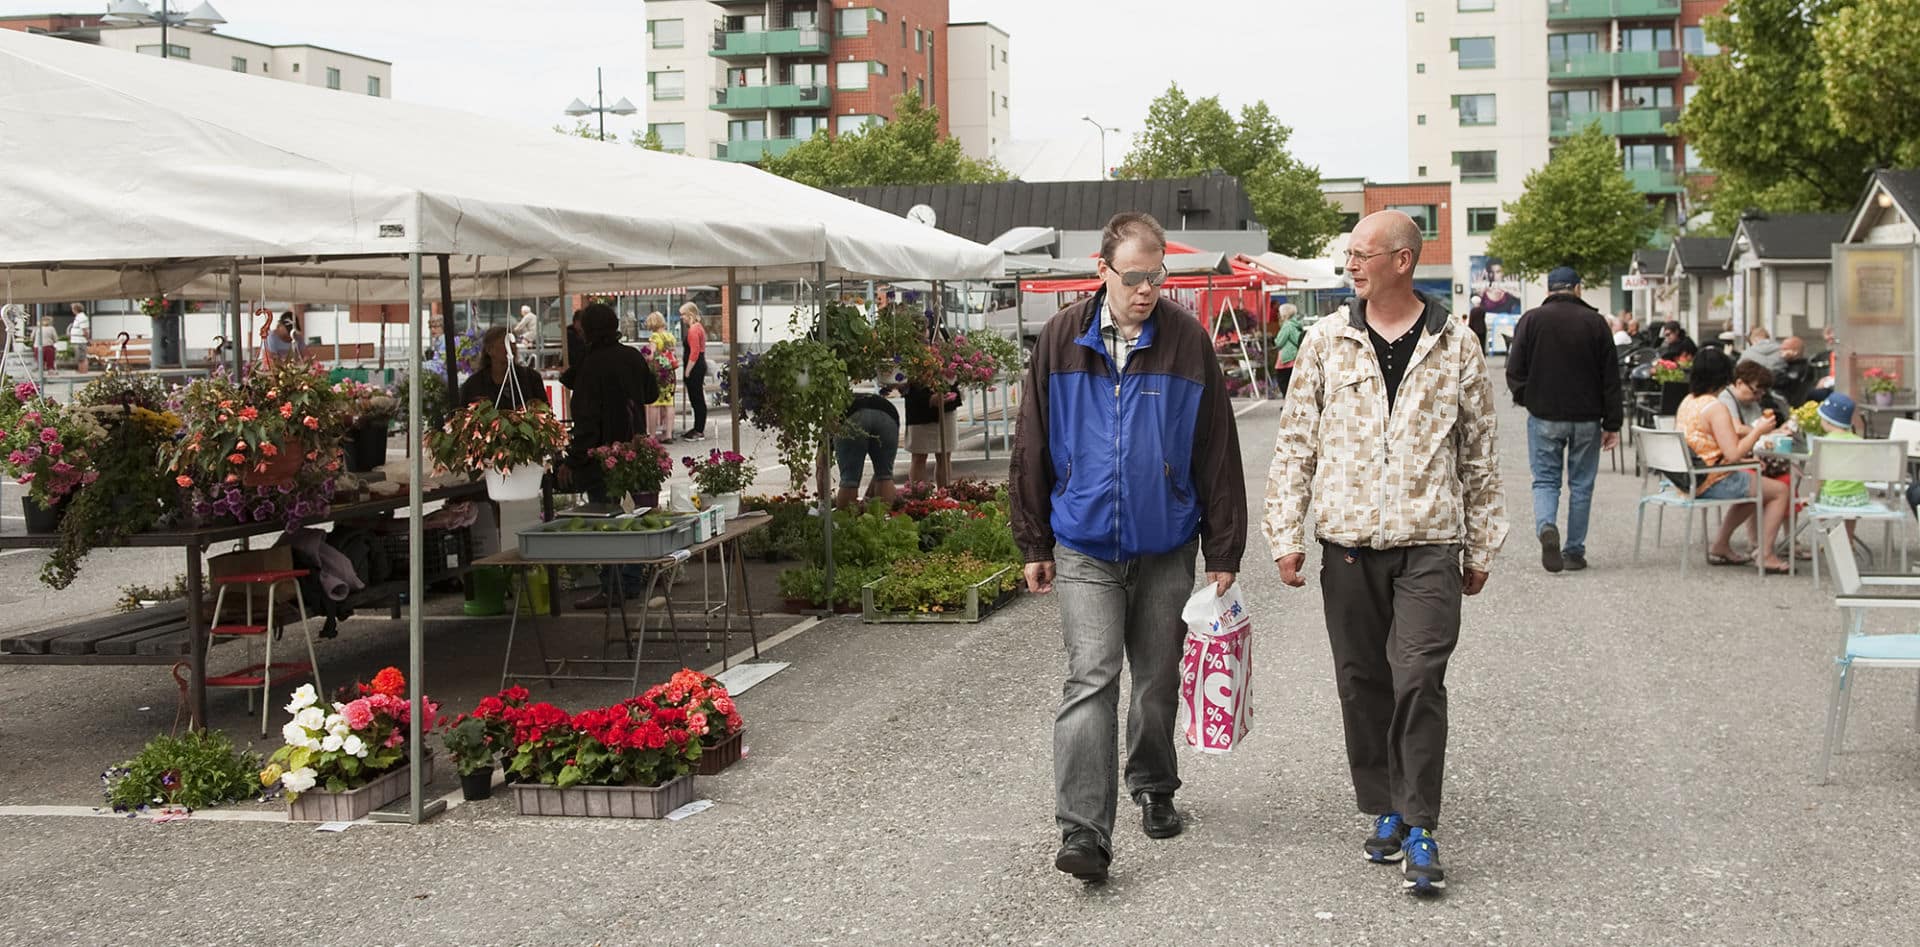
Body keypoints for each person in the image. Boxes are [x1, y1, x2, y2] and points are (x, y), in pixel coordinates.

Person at [1266, 210, 1506, 896]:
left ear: (1403, 260)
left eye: (1362, 253)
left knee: (1419, 675)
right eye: (1349, 254)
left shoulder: (1456, 343)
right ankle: (1387, 806)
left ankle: (1422, 821)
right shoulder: (1325, 340)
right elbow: (1295, 444)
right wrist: (1286, 532)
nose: (1351, 264)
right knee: (1362, 680)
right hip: (1346, 543)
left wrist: (1483, 540)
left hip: (1430, 540)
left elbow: (1480, 453)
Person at [1009, 211, 1247, 884]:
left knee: (1157, 677)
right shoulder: (1060, 340)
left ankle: (1154, 781)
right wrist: (1032, 537)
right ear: (1103, 269)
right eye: (1134, 276)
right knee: (1092, 676)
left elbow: (1216, 448)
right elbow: (1032, 439)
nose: (1146, 289)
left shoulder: (1188, 341)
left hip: (1168, 542)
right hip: (1084, 543)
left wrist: (1224, 548)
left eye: (1156, 275)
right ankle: (1084, 831)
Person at [1506, 266, 1621, 573]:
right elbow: (1611, 378)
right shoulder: (1596, 323)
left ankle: (1547, 526)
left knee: (1545, 480)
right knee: (1581, 485)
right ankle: (1574, 552)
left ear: (1549, 289)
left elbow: (1514, 369)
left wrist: (1528, 398)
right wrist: (1613, 423)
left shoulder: (1531, 320)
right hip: (1587, 418)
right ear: (1578, 288)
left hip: (1544, 414)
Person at [557, 303, 659, 610]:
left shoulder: (592, 365)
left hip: (604, 457)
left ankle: (612, 586)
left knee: (610, 519)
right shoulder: (631, 356)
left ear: (587, 330)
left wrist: (572, 460)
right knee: (632, 515)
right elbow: (651, 394)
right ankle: (629, 580)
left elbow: (586, 420)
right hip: (635, 450)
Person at [1674, 348, 1790, 572]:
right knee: (1779, 491)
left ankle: (1720, 545)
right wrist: (1759, 431)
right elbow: (1733, 454)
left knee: (1754, 484)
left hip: (1686, 477)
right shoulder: (1716, 407)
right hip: (1709, 479)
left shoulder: (1688, 401)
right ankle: (1765, 554)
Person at [1812, 392, 1867, 550]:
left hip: (1832, 497)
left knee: (1821, 499)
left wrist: (1812, 494)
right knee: (1849, 506)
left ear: (1827, 420)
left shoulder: (1823, 443)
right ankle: (1848, 539)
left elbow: (1818, 474)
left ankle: (1828, 536)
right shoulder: (1859, 442)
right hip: (1858, 499)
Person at [833, 388, 899, 508]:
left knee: (849, 480)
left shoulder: (836, 409)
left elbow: (821, 463)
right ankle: (882, 521)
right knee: (885, 475)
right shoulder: (869, 399)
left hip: (852, 416)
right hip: (888, 414)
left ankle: (846, 522)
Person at [458, 327, 548, 408]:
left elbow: (545, 412)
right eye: (505, 343)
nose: (512, 347)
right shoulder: (474, 385)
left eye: (513, 343)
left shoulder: (531, 378)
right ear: (490, 350)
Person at [644, 312, 678, 444]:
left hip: (658, 373)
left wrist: (645, 356)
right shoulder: (670, 336)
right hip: (669, 373)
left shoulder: (655, 337)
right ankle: (668, 434)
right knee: (669, 403)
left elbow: (651, 356)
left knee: (654, 404)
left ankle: (652, 435)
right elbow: (673, 353)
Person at [680, 302, 709, 441]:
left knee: (696, 397)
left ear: (690, 314)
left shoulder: (693, 330)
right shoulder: (699, 328)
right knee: (696, 397)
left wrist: (687, 371)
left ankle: (699, 429)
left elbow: (694, 352)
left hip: (695, 366)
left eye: (683, 314)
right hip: (698, 365)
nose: (682, 318)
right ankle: (698, 427)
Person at [1273, 303, 1306, 396]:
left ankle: (1287, 403)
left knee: (1283, 381)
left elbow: (1279, 342)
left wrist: (1275, 340)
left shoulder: (1287, 325)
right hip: (1294, 355)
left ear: (1285, 314)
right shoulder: (1296, 324)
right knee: (1292, 382)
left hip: (1286, 357)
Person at [68, 303, 91, 374]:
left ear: (75, 309)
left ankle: (83, 372)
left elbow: (84, 330)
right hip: (77, 340)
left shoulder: (82, 317)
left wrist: (87, 339)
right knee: (79, 358)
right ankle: (81, 371)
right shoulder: (78, 317)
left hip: (80, 341)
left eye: (73, 309)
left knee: (82, 358)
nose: (72, 311)